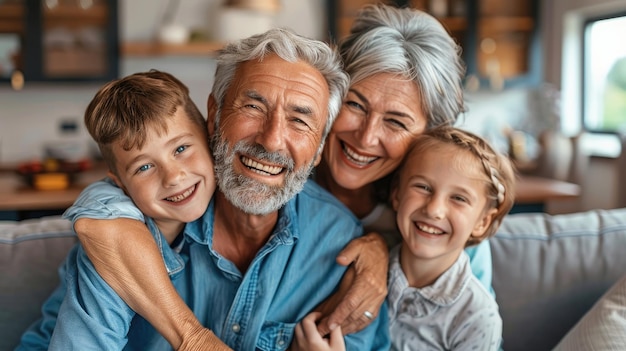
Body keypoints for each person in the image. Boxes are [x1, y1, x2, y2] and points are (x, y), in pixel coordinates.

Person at [52, 2, 494, 346]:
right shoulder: (172, 196)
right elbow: (104, 214)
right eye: (356, 106)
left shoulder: (429, 230)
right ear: (214, 114)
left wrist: (377, 248)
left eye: (396, 122)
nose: (365, 136)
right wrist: (193, 339)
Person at [23, 27, 391, 350]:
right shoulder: (133, 228)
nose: (273, 140)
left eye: (299, 120)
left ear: (319, 149)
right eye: (253, 106)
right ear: (214, 115)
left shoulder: (341, 246)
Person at [17, 70, 229, 349]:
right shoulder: (108, 244)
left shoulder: (221, 221)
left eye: (180, 149)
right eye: (144, 167)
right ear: (120, 184)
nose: (173, 176)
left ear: (208, 136)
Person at [294, 126, 515, 351]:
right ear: (397, 194)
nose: (434, 209)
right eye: (423, 187)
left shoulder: (477, 316)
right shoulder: (360, 272)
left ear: (482, 222)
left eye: (458, 198)